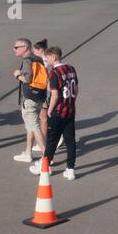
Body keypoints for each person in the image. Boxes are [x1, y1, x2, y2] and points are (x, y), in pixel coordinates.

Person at [31, 46, 77, 181]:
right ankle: (70, 169)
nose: (46, 60)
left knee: (51, 140)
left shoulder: (55, 73)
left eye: (47, 57)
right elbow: (77, 89)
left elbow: (55, 95)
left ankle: (45, 165)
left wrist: (49, 111)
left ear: (53, 57)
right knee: (70, 141)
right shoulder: (71, 69)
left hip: (58, 111)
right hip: (70, 110)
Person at [11, 37, 48, 163]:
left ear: (25, 48)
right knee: (30, 125)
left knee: (34, 126)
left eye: (16, 47)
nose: (14, 49)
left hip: (29, 98)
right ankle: (28, 152)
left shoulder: (27, 60)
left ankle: (46, 155)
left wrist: (17, 75)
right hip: (40, 96)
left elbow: (27, 79)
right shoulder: (38, 59)